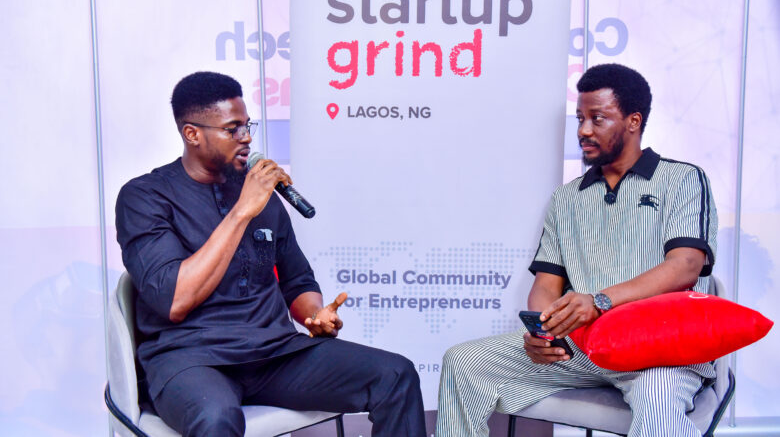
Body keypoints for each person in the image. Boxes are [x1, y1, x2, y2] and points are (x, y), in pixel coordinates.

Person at [115, 71, 426, 437]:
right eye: (232, 129)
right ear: (192, 134)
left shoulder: (262, 196)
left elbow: (297, 281)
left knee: (395, 375)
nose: (246, 138)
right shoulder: (145, 197)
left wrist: (315, 315)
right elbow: (174, 300)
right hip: (190, 360)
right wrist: (242, 211)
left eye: (247, 126)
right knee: (216, 418)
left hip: (273, 353)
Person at [435, 63, 717, 437]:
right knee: (463, 362)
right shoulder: (567, 198)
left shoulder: (681, 179)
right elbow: (547, 284)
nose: (584, 130)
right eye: (581, 118)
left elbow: (686, 265)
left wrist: (599, 301)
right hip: (583, 348)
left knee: (658, 398)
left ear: (633, 121)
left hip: (658, 351)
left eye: (598, 118)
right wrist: (544, 333)